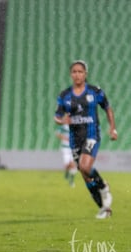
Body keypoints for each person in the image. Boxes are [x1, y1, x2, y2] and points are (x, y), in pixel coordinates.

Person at [54, 60, 117, 219]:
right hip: (75, 140)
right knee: (85, 175)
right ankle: (104, 208)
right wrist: (63, 121)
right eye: (74, 71)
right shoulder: (64, 95)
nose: (77, 74)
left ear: (85, 74)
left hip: (92, 135)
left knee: (84, 166)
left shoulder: (95, 92)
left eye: (80, 71)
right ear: (71, 74)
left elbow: (107, 107)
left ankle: (103, 186)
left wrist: (112, 128)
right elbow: (57, 117)